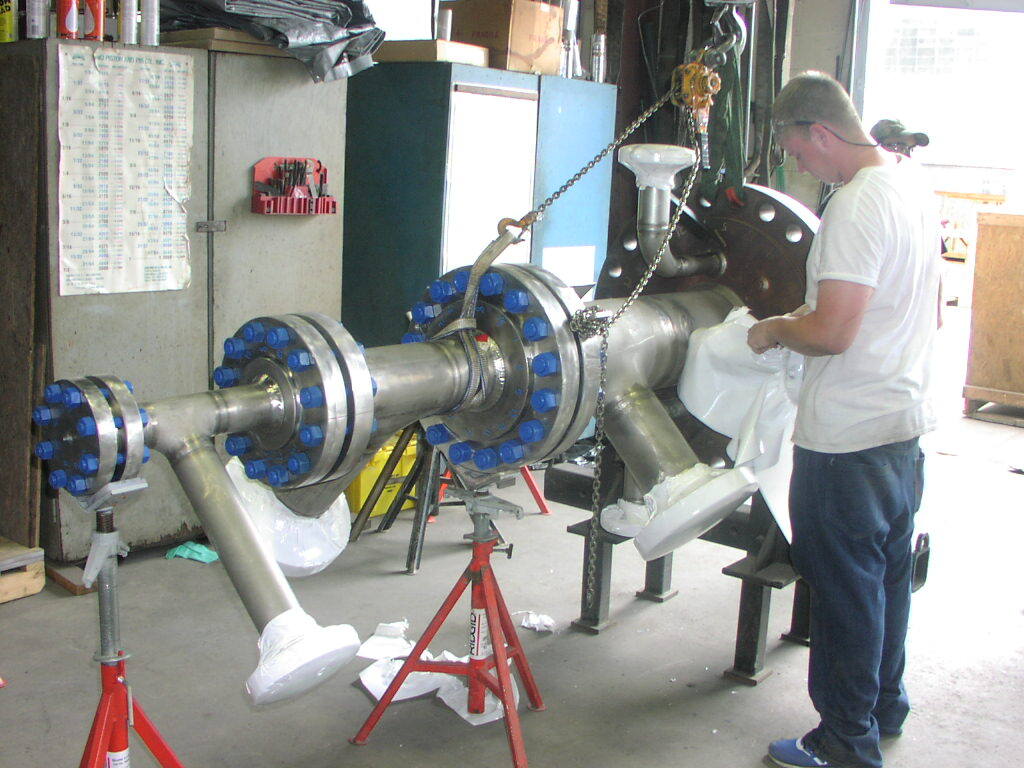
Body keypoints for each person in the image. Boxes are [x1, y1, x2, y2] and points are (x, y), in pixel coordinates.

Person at [746, 71, 941, 768]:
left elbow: (833, 330)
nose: (799, 165)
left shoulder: (858, 206)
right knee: (887, 577)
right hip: (901, 424)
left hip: (846, 440)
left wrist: (772, 328)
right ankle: (884, 706)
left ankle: (843, 743)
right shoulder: (912, 187)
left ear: (820, 131)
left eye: (797, 151)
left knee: (844, 594)